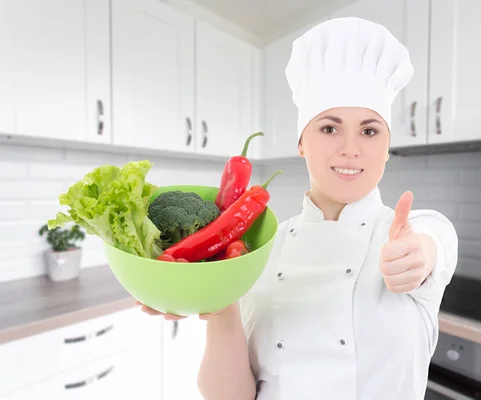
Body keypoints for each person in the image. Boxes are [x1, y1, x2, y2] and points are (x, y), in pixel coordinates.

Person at [138, 16, 458, 400]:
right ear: (301, 142)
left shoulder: (408, 237)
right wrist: (217, 305)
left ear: (387, 148)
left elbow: (436, 239)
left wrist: (419, 256)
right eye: (329, 128)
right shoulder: (257, 251)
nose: (350, 149)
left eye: (369, 131)